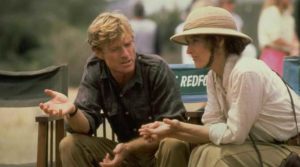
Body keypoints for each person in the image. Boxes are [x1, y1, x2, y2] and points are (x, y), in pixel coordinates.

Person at [140, 6, 300, 167]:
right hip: (263, 145)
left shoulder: (246, 72)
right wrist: (173, 132)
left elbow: (234, 134)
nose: (188, 51)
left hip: (292, 149)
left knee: (213, 156)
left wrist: (179, 128)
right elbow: (212, 128)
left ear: (219, 40)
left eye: (195, 41)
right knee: (174, 144)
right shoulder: (214, 76)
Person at [39, 11, 190, 167]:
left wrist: (129, 147)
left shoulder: (155, 69)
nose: (125, 54)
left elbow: (175, 130)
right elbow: (85, 127)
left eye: (128, 44)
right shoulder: (96, 69)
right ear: (99, 53)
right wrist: (73, 111)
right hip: (123, 156)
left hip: (159, 155)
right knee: (70, 144)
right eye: (115, 49)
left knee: (174, 143)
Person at [258, 0, 299, 76]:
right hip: (272, 57)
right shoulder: (271, 11)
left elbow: (293, 37)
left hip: (285, 58)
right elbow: (276, 38)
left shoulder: (287, 15)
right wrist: (293, 46)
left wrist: (295, 46)